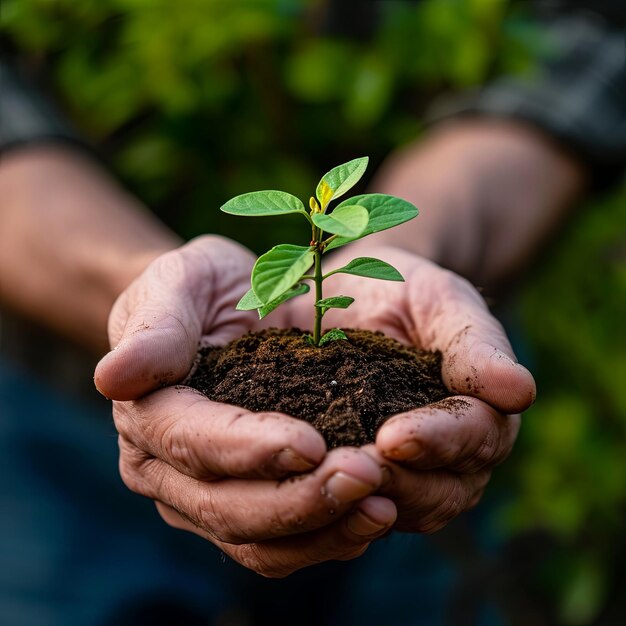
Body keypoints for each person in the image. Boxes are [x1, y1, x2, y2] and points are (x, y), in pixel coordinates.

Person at [1, 2, 624, 625]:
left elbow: (579, 51)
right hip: (48, 408)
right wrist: (136, 285)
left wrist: (405, 251)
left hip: (424, 346)